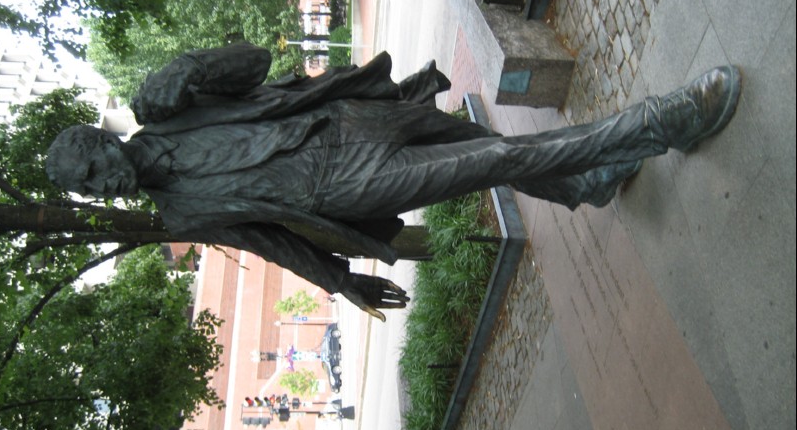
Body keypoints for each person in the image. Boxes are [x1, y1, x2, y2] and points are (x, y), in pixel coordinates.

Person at [46, 43, 740, 320]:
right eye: (95, 193)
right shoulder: (180, 215)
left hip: (347, 119)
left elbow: (253, 63)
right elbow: (265, 241)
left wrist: (190, 71)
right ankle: (667, 120)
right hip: (349, 185)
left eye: (95, 174)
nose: (108, 189)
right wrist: (341, 281)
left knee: (484, 144)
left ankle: (586, 184)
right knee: (497, 164)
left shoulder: (166, 105)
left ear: (100, 145)